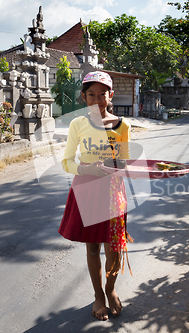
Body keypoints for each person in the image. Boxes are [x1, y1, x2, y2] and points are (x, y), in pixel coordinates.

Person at [58, 71, 132, 321]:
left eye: (103, 95)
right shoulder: (77, 124)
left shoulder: (122, 125)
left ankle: (111, 290)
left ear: (111, 96)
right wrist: (86, 169)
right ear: (83, 97)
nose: (98, 100)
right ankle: (98, 295)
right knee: (92, 247)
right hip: (87, 190)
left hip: (112, 191)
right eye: (92, 95)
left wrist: (121, 167)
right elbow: (66, 161)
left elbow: (123, 162)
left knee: (114, 248)